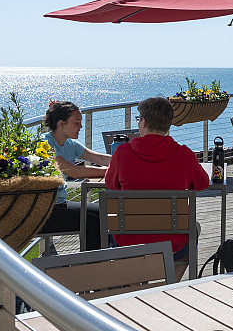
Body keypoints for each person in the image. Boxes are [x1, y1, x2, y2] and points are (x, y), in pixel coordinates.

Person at [104, 97, 210, 262]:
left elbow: (110, 184)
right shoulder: (184, 155)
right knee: (194, 227)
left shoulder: (122, 153)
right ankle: (170, 282)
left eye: (139, 119)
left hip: (128, 241)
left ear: (144, 122)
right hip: (172, 243)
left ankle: (135, 284)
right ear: (168, 124)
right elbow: (202, 183)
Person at [39, 100, 111, 250]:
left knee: (105, 214)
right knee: (93, 223)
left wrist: (127, 161)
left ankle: (99, 260)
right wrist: (111, 171)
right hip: (44, 212)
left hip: (60, 204)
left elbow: (101, 159)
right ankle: (91, 266)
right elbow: (73, 171)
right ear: (61, 124)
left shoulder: (69, 144)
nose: (81, 127)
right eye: (76, 123)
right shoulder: (45, 144)